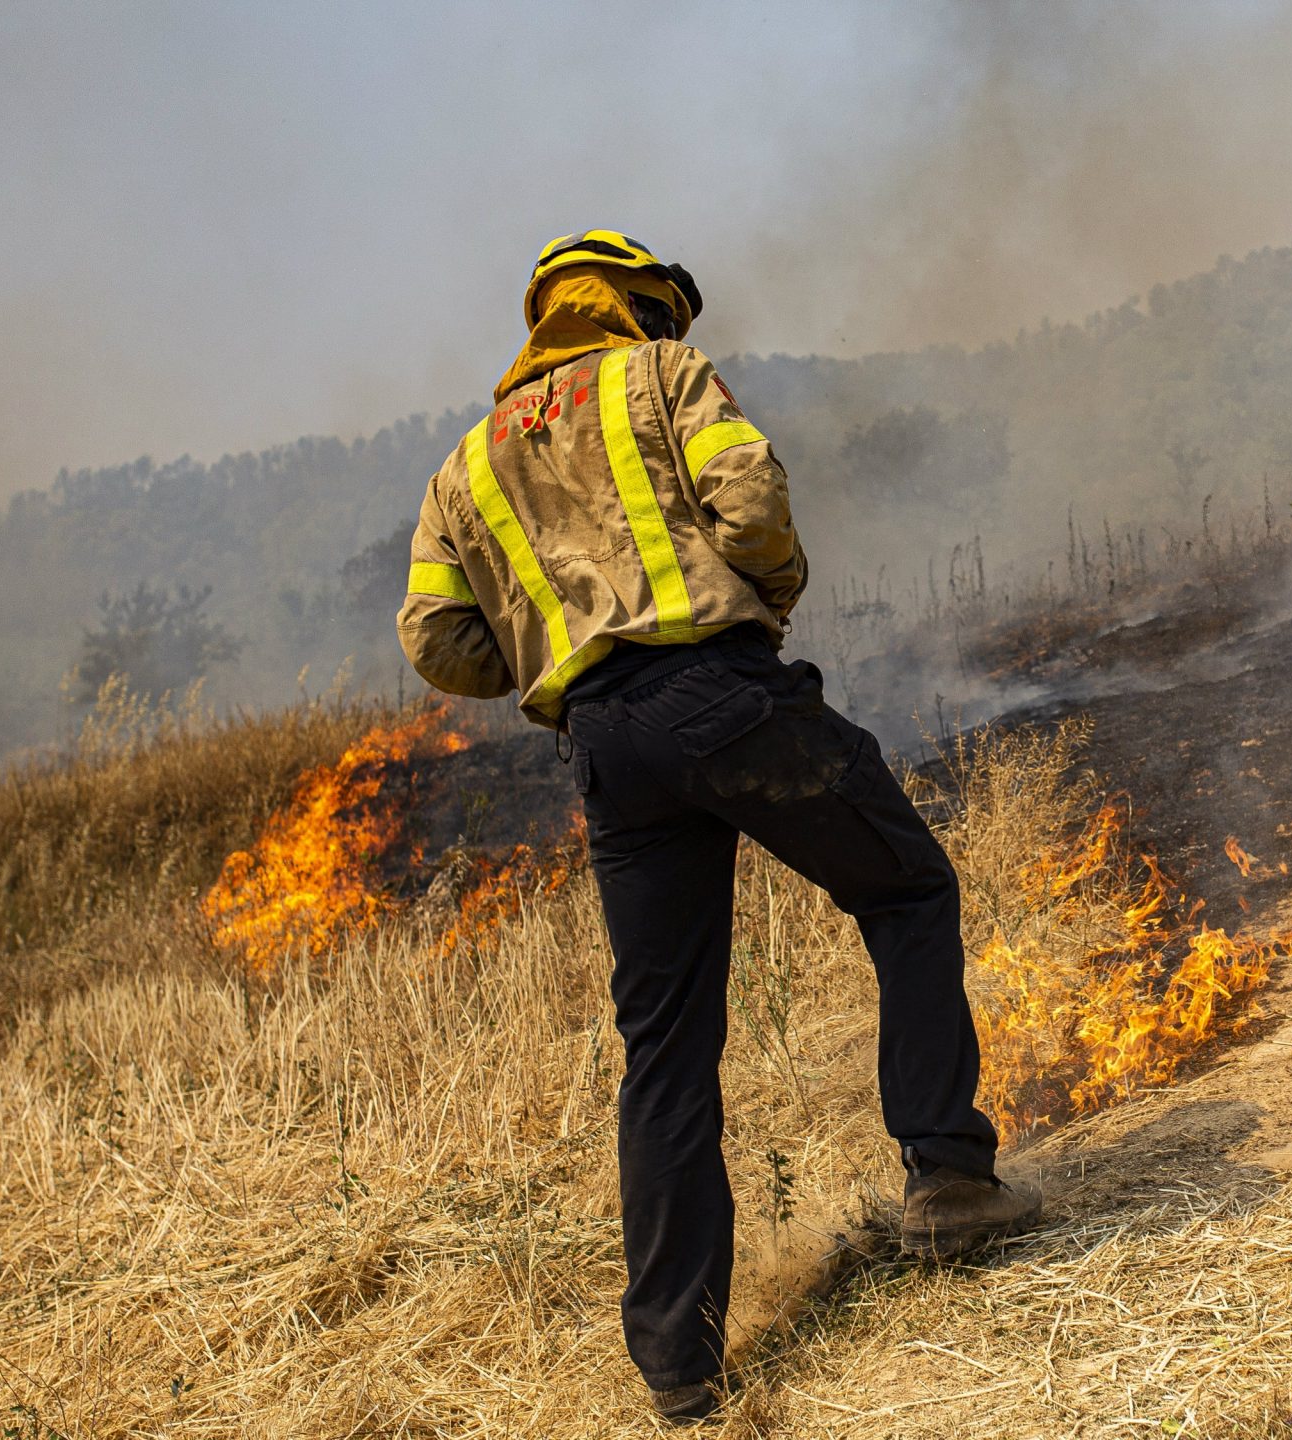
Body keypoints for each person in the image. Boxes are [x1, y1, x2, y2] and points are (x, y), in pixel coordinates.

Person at [397, 230, 1040, 1424]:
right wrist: (762, 601)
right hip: (720, 694)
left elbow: (436, 639)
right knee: (903, 888)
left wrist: (555, 654)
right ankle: (948, 1176)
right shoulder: (662, 380)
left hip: (602, 748)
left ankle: (680, 1370)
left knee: (667, 1048)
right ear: (638, 306)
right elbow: (749, 504)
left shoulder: (463, 466)